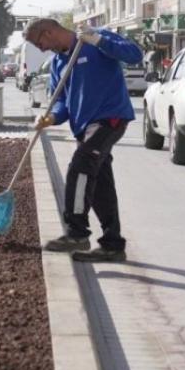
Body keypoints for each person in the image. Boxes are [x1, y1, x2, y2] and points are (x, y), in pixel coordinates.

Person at [24, 18, 143, 263]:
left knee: (80, 168)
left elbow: (134, 55)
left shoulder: (95, 38)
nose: (42, 49)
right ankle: (112, 245)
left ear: (49, 31)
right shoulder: (59, 62)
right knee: (100, 185)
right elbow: (61, 101)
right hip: (84, 127)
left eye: (40, 42)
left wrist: (99, 41)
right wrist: (51, 117)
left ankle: (77, 232)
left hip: (109, 118)